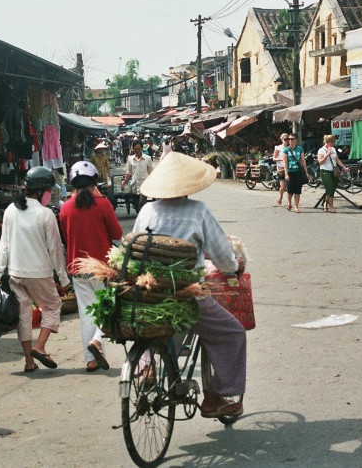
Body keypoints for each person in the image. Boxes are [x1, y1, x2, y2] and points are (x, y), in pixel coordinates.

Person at [133, 152, 247, 419]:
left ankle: (146, 367)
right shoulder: (198, 211)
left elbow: (135, 246)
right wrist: (234, 266)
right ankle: (216, 396)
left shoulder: (147, 211)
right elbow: (222, 256)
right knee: (233, 333)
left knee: (156, 329)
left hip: (150, 293)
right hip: (187, 294)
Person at [0, 166, 70, 372]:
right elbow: (56, 249)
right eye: (48, 190)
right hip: (40, 273)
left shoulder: (10, 210)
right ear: (41, 191)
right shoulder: (45, 214)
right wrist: (63, 279)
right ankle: (40, 346)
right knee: (53, 306)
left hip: (16, 273)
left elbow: (4, 244)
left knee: (24, 315)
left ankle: (29, 361)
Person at [58, 161, 122, 372]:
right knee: (110, 307)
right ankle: (97, 339)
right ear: (95, 182)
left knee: (87, 313)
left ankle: (91, 359)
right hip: (102, 268)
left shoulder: (65, 208)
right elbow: (117, 234)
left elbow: (67, 237)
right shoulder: (103, 204)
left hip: (78, 269)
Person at [317, 134, 347, 214]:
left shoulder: (333, 149)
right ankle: (332, 207)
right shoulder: (321, 150)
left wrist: (343, 166)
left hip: (333, 171)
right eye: (333, 142)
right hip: (325, 170)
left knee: (332, 189)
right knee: (329, 188)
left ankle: (325, 204)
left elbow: (337, 159)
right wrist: (326, 155)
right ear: (329, 142)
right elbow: (320, 162)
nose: (334, 144)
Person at [121, 140, 154, 209]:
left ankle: (142, 216)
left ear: (142, 148)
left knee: (142, 202)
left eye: (139, 149)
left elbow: (151, 172)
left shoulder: (148, 158)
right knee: (136, 204)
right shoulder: (130, 159)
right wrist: (124, 183)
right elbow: (129, 172)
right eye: (135, 149)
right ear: (133, 149)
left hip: (144, 185)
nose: (137, 150)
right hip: (134, 185)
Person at [280, 134, 310, 213]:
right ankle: (289, 203)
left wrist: (306, 172)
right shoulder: (286, 150)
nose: (290, 140)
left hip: (298, 171)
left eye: (292, 139)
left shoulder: (300, 149)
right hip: (290, 172)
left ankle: (296, 206)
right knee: (290, 190)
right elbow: (285, 163)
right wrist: (286, 174)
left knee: (297, 190)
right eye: (288, 139)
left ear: (296, 140)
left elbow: (303, 161)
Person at [272, 133, 289, 206]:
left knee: (290, 187)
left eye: (288, 139)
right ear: (282, 139)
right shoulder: (278, 148)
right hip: (281, 169)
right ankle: (280, 197)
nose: (287, 140)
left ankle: (289, 202)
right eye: (285, 139)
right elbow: (274, 158)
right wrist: (282, 159)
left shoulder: (290, 148)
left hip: (289, 168)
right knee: (283, 186)